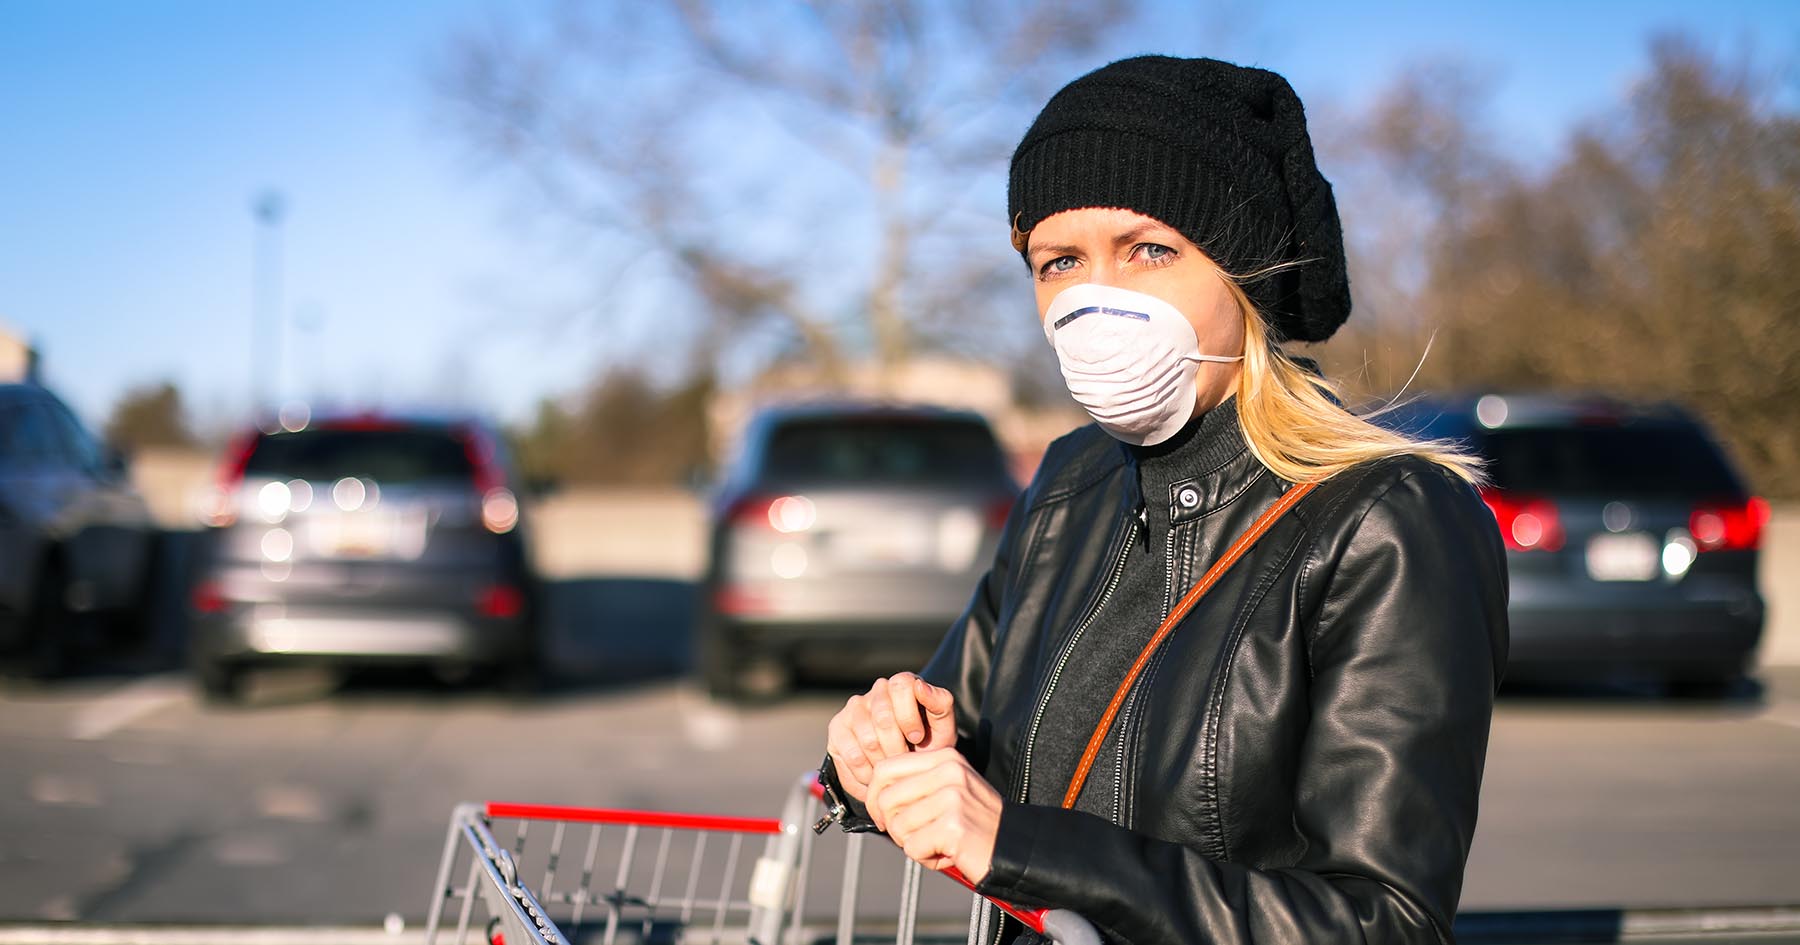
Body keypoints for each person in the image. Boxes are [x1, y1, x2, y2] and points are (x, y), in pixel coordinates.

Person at [816, 55, 1510, 945]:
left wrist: (1022, 846)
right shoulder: (1068, 485)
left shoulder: (1389, 520)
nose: (1096, 298)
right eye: (1059, 261)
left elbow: (1386, 922)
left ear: (1243, 269)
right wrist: (878, 752)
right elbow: (958, 733)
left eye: (1149, 250)